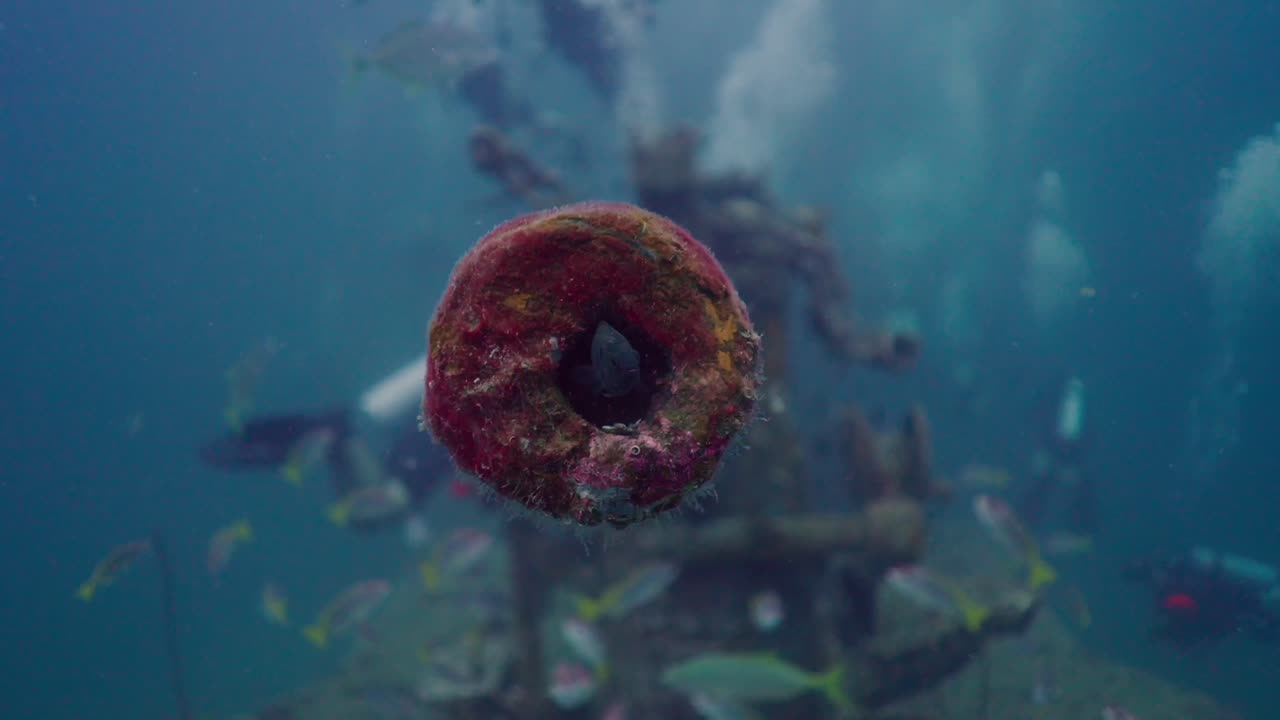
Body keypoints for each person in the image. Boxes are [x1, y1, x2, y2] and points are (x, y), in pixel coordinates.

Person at [200, 356, 456, 528]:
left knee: (377, 503)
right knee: (390, 500)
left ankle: (329, 435)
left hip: (420, 415)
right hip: (442, 427)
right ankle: (336, 436)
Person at [1124, 547, 1280, 648]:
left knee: (1259, 612)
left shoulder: (1169, 589)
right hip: (1237, 598)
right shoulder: (1177, 567)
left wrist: (1170, 632)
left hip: (1234, 602)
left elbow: (1191, 613)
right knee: (1260, 609)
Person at [1018, 373, 1095, 541]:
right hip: (1056, 449)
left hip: (1068, 453)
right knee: (1042, 486)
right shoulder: (1055, 397)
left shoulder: (1079, 403)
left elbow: (1087, 433)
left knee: (1058, 488)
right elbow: (1039, 416)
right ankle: (1026, 526)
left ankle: (1077, 531)